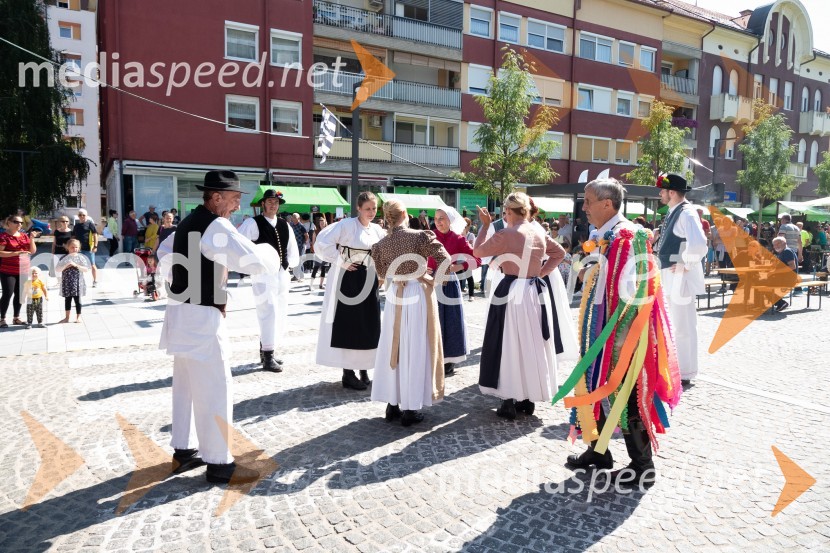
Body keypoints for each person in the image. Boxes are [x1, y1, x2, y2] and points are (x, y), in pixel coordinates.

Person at [558, 178, 681, 489]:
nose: (584, 207)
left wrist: (623, 336)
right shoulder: (602, 234)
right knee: (593, 384)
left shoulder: (629, 235)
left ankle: (643, 466)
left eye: (588, 201)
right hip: (598, 327)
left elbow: (636, 288)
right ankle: (598, 451)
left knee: (626, 393)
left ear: (607, 204)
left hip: (620, 332)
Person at [158, 170, 279, 485]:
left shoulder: (189, 221)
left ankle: (184, 449)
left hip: (181, 311)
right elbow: (253, 261)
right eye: (234, 198)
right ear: (216, 198)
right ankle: (219, 463)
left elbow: (164, 254)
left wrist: (185, 279)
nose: (238, 205)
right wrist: (271, 252)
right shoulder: (216, 225)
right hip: (202, 316)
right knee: (215, 386)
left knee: (186, 385)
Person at [473, 193, 565, 420]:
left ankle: (508, 399)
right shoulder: (538, 231)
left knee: (508, 343)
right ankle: (528, 398)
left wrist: (485, 226)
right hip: (534, 291)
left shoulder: (507, 233)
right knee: (531, 343)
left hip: (512, 290)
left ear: (508, 211)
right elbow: (560, 253)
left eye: (505, 211)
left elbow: (478, 252)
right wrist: (540, 273)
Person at [370, 199, 450, 427]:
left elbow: (381, 273)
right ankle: (411, 407)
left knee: (395, 346)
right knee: (416, 346)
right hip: (417, 293)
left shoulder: (381, 244)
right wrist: (436, 281)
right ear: (404, 213)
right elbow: (445, 259)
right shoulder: (420, 236)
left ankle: (393, 403)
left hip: (396, 293)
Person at [313, 192, 385, 391]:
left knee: (368, 323)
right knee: (349, 322)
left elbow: (383, 252)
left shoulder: (377, 230)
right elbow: (321, 242)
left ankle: (364, 368)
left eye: (374, 208)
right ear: (358, 208)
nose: (371, 212)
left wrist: (381, 273)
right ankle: (348, 372)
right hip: (347, 277)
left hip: (368, 277)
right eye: (367, 208)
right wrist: (341, 261)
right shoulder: (346, 225)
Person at [238, 188, 299, 372]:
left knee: (279, 311)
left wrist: (289, 265)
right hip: (263, 274)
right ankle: (268, 355)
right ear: (263, 203)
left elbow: (292, 248)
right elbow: (239, 245)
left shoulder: (284, 224)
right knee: (268, 311)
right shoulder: (252, 223)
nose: (273, 205)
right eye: (270, 202)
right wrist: (252, 264)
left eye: (276, 202)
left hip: (282, 273)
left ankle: (268, 348)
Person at [655, 174, 707, 386]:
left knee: (683, 325)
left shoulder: (686, 212)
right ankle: (676, 366)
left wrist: (686, 263)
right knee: (674, 322)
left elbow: (699, 243)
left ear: (672, 192)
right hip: (671, 274)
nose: (660, 194)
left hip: (680, 276)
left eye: (663, 190)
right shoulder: (675, 211)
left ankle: (685, 371)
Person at [428, 207, 480, 377]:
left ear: (450, 220)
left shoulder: (458, 239)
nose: (438, 222)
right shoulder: (428, 236)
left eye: (442, 218)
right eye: (436, 218)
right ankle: (431, 357)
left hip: (449, 284)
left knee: (450, 321)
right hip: (429, 283)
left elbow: (477, 259)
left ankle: (449, 359)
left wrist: (459, 266)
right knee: (431, 321)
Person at [0, 214, 37, 327]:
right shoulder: (4, 236)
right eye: (16, 222)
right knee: (7, 293)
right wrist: (17, 253)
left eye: (21, 222)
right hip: (8, 270)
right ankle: (2, 319)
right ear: (9, 223)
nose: (19, 224)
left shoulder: (24, 236)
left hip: (23, 269)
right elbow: (0, 253)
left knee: (21, 294)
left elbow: (32, 251)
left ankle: (16, 318)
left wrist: (32, 239)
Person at [55, 238, 89, 324]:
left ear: (79, 248)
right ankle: (67, 318)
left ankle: (78, 317)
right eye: (72, 247)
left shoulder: (81, 258)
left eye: (76, 247)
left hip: (78, 282)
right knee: (67, 300)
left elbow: (86, 269)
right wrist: (66, 266)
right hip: (67, 282)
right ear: (68, 248)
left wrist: (76, 265)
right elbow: (58, 269)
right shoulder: (64, 258)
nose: (74, 249)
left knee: (78, 300)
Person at [771, 236, 799, 312]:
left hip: (788, 279)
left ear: (784, 243)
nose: (776, 246)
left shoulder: (787, 251)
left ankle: (781, 303)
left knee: (761, 284)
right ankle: (778, 302)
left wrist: (775, 272)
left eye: (778, 243)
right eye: (774, 244)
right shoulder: (783, 252)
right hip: (784, 278)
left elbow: (792, 266)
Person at [72, 209, 98, 287]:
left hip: (89, 248)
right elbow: (73, 236)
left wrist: (95, 246)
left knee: (92, 265)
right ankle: (80, 281)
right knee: (78, 265)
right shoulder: (76, 226)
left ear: (86, 216)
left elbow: (95, 235)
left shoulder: (90, 224)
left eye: (84, 215)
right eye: (80, 215)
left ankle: (95, 281)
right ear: (78, 216)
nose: (82, 216)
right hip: (78, 249)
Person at [458, 217, 477, 301]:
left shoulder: (471, 235)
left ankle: (471, 295)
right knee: (458, 276)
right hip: (458, 258)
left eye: (466, 225)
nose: (465, 227)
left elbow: (472, 247)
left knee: (469, 276)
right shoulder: (458, 234)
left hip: (467, 258)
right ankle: (458, 294)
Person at [310, 215, 330, 290]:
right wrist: (315, 250)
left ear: (325, 222)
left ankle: (321, 285)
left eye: (323, 222)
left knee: (323, 268)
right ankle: (311, 285)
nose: (321, 224)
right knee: (315, 268)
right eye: (320, 222)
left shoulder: (328, 231)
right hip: (318, 252)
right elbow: (313, 241)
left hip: (325, 252)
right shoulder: (316, 231)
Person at [289, 213, 309, 282]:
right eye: (293, 217)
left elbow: (306, 235)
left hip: (301, 246)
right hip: (294, 246)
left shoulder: (301, 226)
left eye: (295, 217)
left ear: (298, 218)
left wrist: (304, 242)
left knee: (300, 261)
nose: (293, 218)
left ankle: (301, 276)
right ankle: (295, 276)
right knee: (295, 260)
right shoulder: (291, 225)